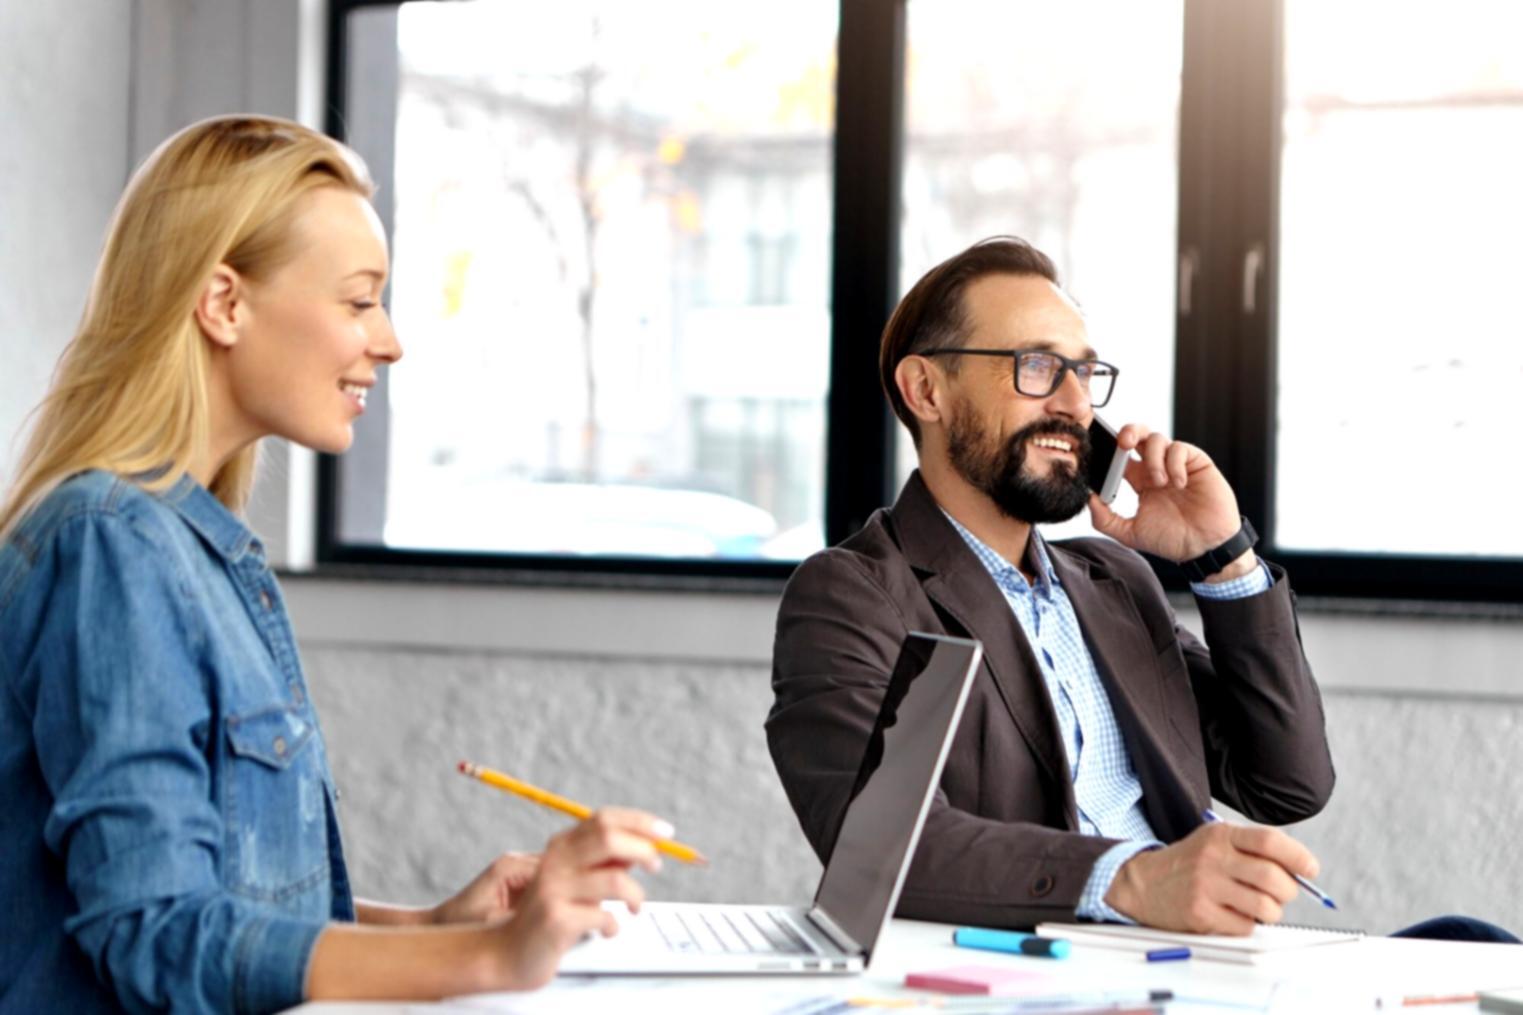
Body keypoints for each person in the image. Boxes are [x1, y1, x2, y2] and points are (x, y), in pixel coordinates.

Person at [0, 115, 671, 1012]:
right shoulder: (110, 547)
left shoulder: (196, 552)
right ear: (224, 302)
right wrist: (488, 960)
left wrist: (443, 928)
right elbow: (154, 932)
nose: (388, 340)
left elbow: (232, 907)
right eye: (358, 301)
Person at [766, 236, 1337, 934]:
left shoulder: (1113, 581)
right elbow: (881, 843)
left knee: (1472, 938)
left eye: (1085, 371)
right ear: (926, 390)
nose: (1073, 402)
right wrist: (1130, 878)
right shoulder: (854, 595)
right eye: (1036, 366)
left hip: (1194, 960)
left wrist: (1223, 559)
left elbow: (1287, 782)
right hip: (1048, 971)